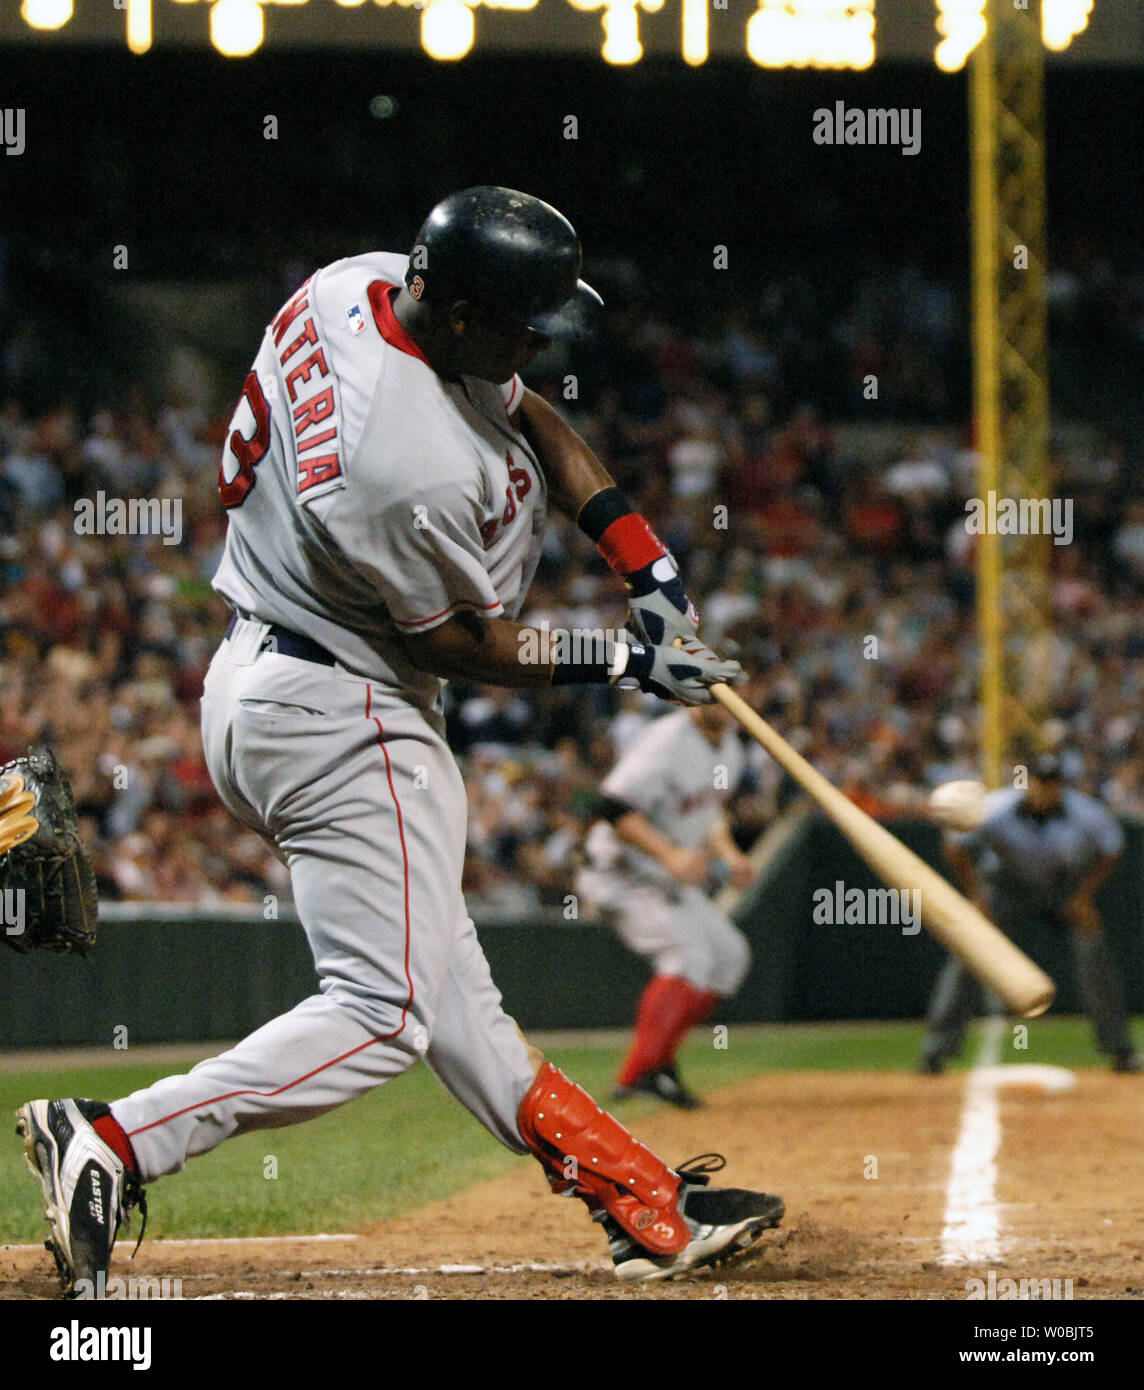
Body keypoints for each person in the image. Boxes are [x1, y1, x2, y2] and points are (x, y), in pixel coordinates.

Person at [17, 187, 784, 1294]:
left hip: (283, 681)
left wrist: (647, 569)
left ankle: (639, 1198)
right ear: (460, 307)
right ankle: (116, 1138)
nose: (536, 343)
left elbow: (531, 417)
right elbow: (464, 646)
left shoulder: (366, 282)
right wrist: (623, 658)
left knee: (452, 1002)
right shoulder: (395, 458)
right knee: (384, 1014)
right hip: (347, 709)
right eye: (520, 323)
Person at [577, 703, 754, 1108]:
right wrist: (671, 854)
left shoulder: (731, 747)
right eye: (713, 689)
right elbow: (610, 806)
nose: (726, 699)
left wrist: (729, 855)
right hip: (620, 871)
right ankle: (637, 1074)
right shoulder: (666, 740)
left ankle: (658, 1064)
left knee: (730, 957)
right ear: (690, 695)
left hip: (665, 877)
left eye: (738, 686)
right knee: (687, 955)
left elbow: (708, 813)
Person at [920, 754, 1140, 1075]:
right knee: (968, 953)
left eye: (1052, 783)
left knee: (1093, 952)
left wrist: (1083, 897)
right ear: (1029, 782)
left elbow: (1112, 849)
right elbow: (955, 846)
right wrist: (978, 897)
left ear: (1060, 785)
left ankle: (1121, 1051)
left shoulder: (1085, 813)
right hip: (1005, 888)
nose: (1044, 789)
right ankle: (935, 1052)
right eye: (1039, 781)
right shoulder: (995, 808)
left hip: (1062, 889)